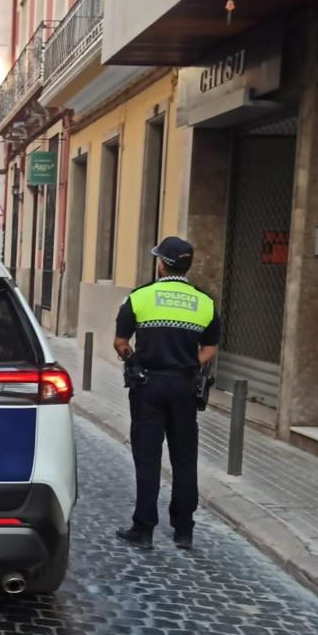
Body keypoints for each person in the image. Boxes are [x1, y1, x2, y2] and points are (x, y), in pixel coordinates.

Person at [113, 236, 221, 551]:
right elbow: (211, 347)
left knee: (148, 458)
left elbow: (120, 341)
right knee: (184, 458)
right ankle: (184, 530)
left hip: (148, 385)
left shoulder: (140, 297)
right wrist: (189, 364)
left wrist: (135, 363)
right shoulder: (205, 302)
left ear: (162, 263)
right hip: (185, 387)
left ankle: (143, 529)